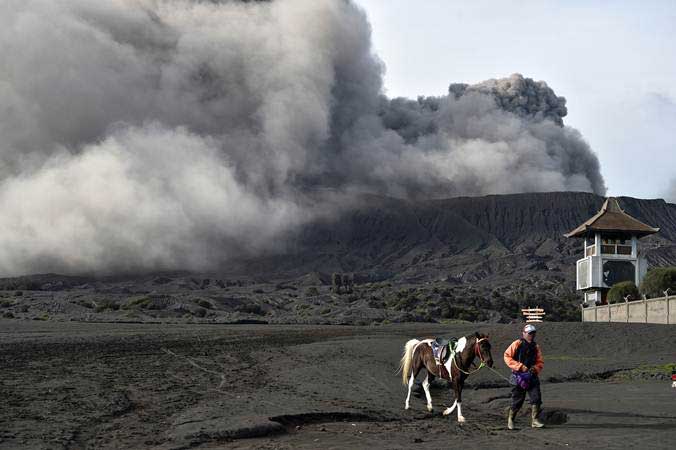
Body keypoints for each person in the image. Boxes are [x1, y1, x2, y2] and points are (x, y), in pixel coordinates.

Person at [503, 323, 545, 429]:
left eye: (533, 333)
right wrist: (520, 366)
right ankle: (511, 420)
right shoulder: (517, 343)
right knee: (517, 400)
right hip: (518, 376)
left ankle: (535, 421)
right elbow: (507, 356)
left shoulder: (536, 346)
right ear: (524, 333)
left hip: (532, 376)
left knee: (536, 398)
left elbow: (540, 361)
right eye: (530, 333)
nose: (532, 335)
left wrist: (535, 368)